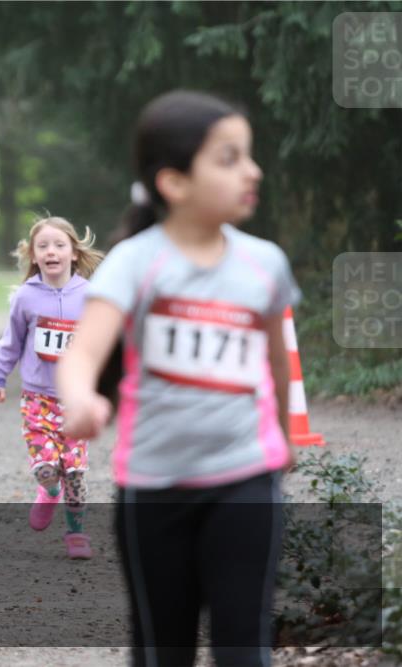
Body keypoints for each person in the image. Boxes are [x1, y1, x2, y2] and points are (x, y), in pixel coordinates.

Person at [57, 90, 299, 667]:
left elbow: (278, 361)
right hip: (153, 487)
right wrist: (80, 400)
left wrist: (285, 437)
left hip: (246, 478)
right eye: (230, 157)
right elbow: (82, 353)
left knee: (245, 651)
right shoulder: (137, 262)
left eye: (249, 155)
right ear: (174, 182)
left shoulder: (265, 263)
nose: (253, 171)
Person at [0, 216, 103, 559]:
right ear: (33, 256)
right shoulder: (26, 297)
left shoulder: (90, 296)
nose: (51, 251)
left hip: (76, 398)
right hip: (37, 398)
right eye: (43, 246)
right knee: (47, 468)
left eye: (59, 245)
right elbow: (11, 342)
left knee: (76, 474)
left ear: (73, 253)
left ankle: (76, 534)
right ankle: (49, 491)